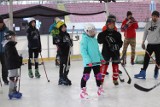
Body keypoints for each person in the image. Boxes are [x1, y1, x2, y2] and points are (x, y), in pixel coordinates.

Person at [80, 24, 105, 99]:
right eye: (90, 31)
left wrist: (101, 58)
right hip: (89, 63)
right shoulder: (84, 40)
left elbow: (97, 51)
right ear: (86, 31)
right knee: (86, 76)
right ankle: (83, 91)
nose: (92, 33)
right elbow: (83, 51)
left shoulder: (94, 39)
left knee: (98, 76)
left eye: (93, 31)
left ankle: (99, 88)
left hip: (96, 61)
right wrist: (88, 61)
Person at [134, 11, 160, 79]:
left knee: (158, 60)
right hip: (150, 45)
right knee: (146, 59)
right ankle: (143, 73)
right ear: (151, 16)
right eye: (153, 16)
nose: (154, 17)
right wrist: (143, 42)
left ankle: (156, 70)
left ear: (158, 17)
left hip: (158, 45)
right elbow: (145, 33)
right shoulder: (148, 24)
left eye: (156, 16)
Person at [98, 18, 123, 86]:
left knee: (115, 66)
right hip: (106, 52)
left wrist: (116, 46)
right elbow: (99, 41)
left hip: (115, 52)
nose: (112, 25)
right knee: (104, 66)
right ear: (107, 24)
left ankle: (115, 79)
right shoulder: (103, 33)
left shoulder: (117, 34)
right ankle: (101, 80)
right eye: (110, 24)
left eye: (113, 24)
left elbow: (120, 43)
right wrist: (104, 37)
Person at [2, 30, 23, 99]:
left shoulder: (11, 45)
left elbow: (14, 56)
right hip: (11, 65)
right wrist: (18, 60)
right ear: (9, 37)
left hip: (14, 64)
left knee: (16, 77)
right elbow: (10, 57)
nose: (15, 38)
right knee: (12, 78)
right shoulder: (8, 46)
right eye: (13, 36)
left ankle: (14, 90)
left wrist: (19, 59)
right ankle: (11, 92)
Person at [54, 20, 73, 85]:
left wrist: (70, 42)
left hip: (67, 53)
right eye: (63, 27)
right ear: (60, 28)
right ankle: (61, 78)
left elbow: (70, 43)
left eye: (65, 27)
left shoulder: (67, 34)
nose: (64, 29)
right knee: (62, 65)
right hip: (62, 53)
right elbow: (60, 44)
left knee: (68, 65)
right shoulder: (58, 36)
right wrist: (66, 44)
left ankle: (65, 76)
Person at [0, 16, 9, 85]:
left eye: (1, 23)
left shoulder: (6, 29)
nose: (0, 24)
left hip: (4, 51)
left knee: (5, 66)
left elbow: (8, 39)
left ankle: (5, 79)